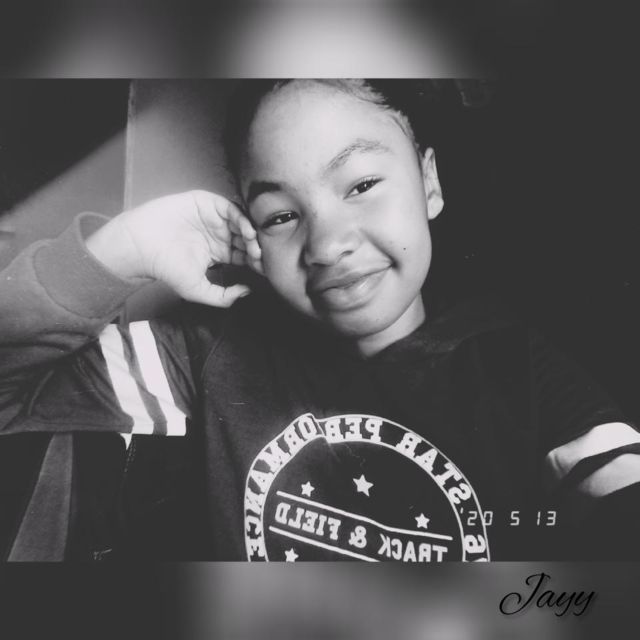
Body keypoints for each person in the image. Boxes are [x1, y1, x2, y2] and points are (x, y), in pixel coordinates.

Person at [1, 79, 639, 562]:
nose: (328, 245)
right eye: (281, 216)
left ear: (429, 183)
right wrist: (125, 249)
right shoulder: (205, 357)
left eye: (361, 185)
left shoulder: (522, 371)